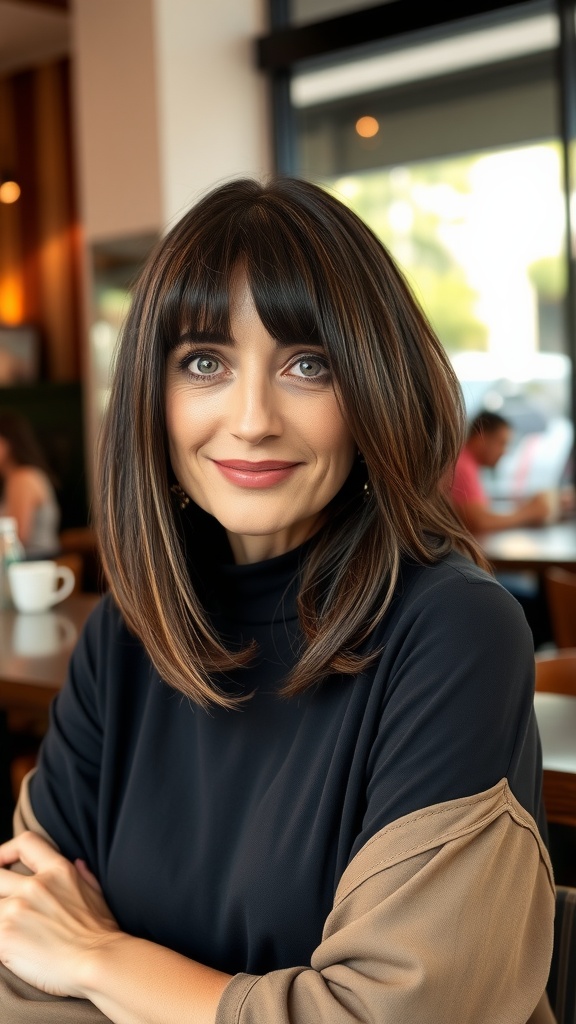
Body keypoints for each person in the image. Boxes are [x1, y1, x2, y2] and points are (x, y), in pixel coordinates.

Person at [0, 177, 555, 1024]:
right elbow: (19, 950)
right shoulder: (125, 633)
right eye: (204, 362)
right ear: (154, 397)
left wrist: (98, 956)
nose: (253, 419)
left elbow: (390, 1018)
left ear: (374, 388)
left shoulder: (454, 630)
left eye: (308, 364)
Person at [449, 409, 551, 534]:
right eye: (502, 443)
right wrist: (531, 512)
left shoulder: (465, 462)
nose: (505, 451)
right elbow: (481, 522)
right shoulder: (463, 466)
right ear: (481, 437)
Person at [0, 411, 61, 558]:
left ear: (9, 444)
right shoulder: (18, 477)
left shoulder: (23, 478)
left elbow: (16, 538)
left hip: (34, 565)